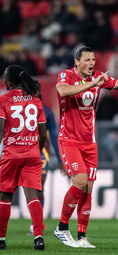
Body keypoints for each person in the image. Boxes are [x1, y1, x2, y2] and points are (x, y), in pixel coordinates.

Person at [53, 46, 118, 248]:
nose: (92, 63)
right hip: (69, 139)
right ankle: (62, 228)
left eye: (93, 59)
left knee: (88, 188)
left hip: (89, 142)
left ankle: (82, 237)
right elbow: (63, 91)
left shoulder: (99, 77)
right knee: (80, 182)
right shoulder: (66, 75)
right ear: (77, 62)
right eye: (87, 60)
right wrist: (92, 83)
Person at [0, 65, 47, 250]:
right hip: (33, 154)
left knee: (5, 195)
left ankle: (1, 239)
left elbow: (1, 131)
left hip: (12, 154)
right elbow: (43, 135)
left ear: (9, 82)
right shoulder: (36, 101)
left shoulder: (3, 100)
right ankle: (39, 237)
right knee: (33, 196)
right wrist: (35, 149)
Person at [27, 80, 65, 235]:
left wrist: (61, 159)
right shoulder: (22, 109)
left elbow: (55, 136)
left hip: (42, 153)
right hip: (21, 151)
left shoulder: (46, 111)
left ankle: (35, 224)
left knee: (39, 186)